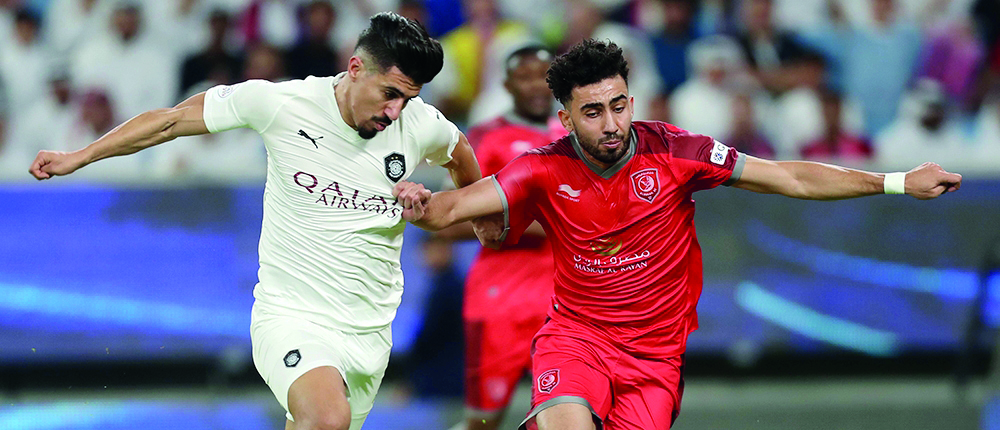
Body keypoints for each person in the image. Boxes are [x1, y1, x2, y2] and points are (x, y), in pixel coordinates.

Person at [392, 39, 962, 430]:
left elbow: (788, 175)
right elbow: (452, 209)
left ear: (631, 100)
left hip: (655, 358)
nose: (611, 123)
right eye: (593, 112)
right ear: (564, 119)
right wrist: (416, 202)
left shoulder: (677, 151)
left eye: (619, 105)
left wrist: (895, 181)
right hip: (577, 339)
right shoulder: (542, 166)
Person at [29, 12, 484, 430]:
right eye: (390, 95)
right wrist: (80, 156)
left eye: (407, 100)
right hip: (291, 316)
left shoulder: (421, 124)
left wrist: (457, 212)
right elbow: (170, 122)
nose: (395, 113)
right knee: (327, 419)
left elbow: (460, 153)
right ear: (355, 68)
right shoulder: (281, 103)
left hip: (370, 336)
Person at [441, 45, 565, 430]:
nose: (536, 85)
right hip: (499, 301)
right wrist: (543, 224)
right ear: (507, 84)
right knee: (482, 421)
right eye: (525, 76)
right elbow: (453, 218)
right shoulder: (485, 138)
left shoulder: (576, 133)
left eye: (544, 75)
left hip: (566, 300)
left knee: (566, 412)